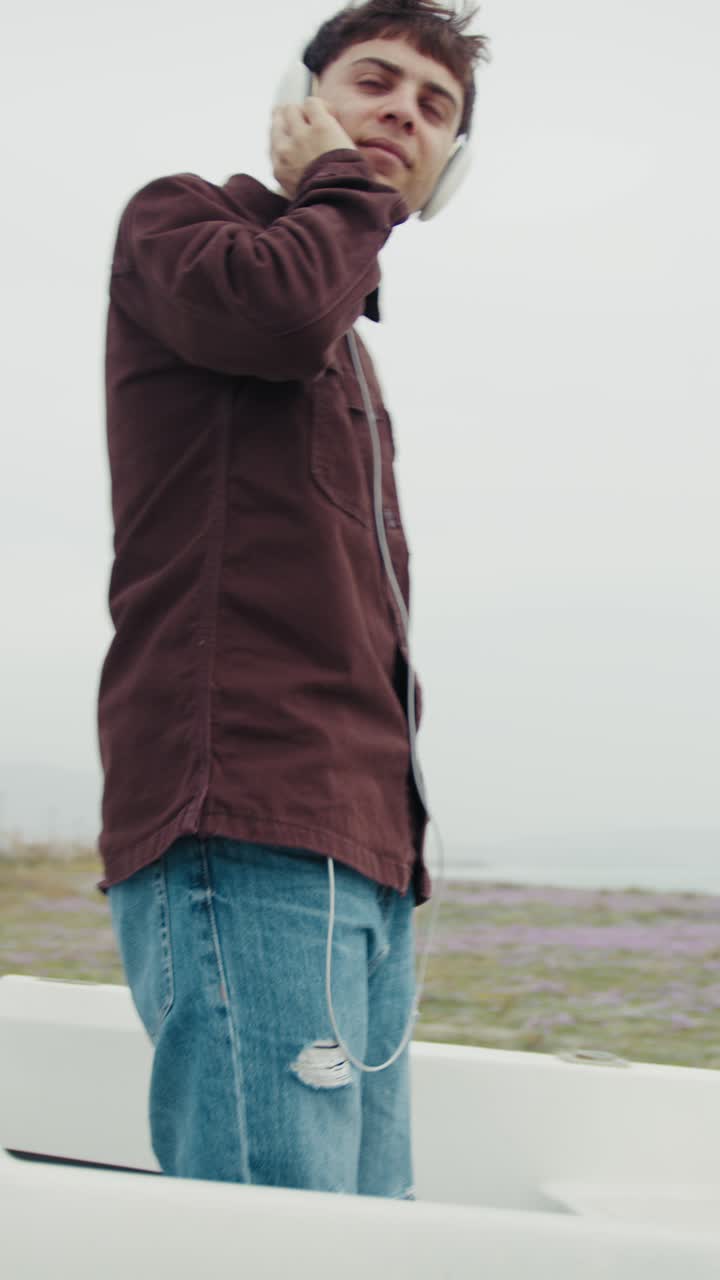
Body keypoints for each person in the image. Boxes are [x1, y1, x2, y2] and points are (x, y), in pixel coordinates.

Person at [98, 0, 490, 1199]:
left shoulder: (351, 356)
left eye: (435, 110)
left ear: (450, 166)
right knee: (280, 1243)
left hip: (362, 855)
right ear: (302, 96)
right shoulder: (187, 227)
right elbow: (272, 310)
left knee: (365, 1242)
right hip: (254, 819)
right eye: (374, 83)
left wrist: (402, 860)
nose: (400, 117)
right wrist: (337, 185)